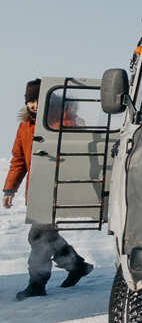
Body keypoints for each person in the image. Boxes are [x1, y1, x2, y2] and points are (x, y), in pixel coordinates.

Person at [6, 80, 93, 300]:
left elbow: (81, 152)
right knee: (46, 235)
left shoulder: (65, 121)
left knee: (39, 236)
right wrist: (9, 189)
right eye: (30, 101)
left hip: (59, 188)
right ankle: (77, 266)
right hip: (37, 191)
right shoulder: (25, 125)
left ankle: (36, 284)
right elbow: (18, 160)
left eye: (37, 99)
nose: (34, 104)